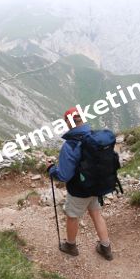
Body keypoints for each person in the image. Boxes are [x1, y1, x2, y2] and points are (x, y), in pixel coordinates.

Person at [47, 107, 113, 260]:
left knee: (72, 216)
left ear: (68, 123)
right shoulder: (96, 137)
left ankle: (70, 246)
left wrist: (51, 169)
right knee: (96, 214)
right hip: (96, 186)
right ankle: (106, 247)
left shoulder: (70, 145)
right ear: (83, 119)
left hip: (78, 190)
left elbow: (64, 175)